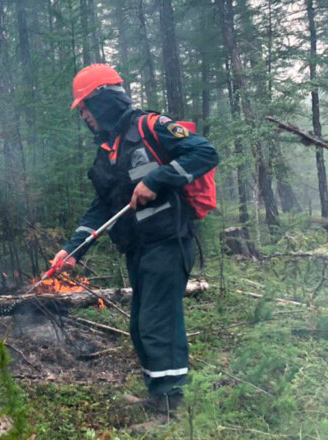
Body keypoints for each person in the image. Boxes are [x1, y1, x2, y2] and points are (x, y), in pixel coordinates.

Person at [53, 63, 218, 414]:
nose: (83, 116)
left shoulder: (152, 126)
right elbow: (101, 209)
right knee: (140, 322)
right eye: (80, 110)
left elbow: (205, 152)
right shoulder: (107, 153)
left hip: (169, 242)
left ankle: (170, 410)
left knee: (158, 322)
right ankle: (157, 395)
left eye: (85, 107)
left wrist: (157, 179)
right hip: (139, 248)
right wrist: (72, 250)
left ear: (104, 100)